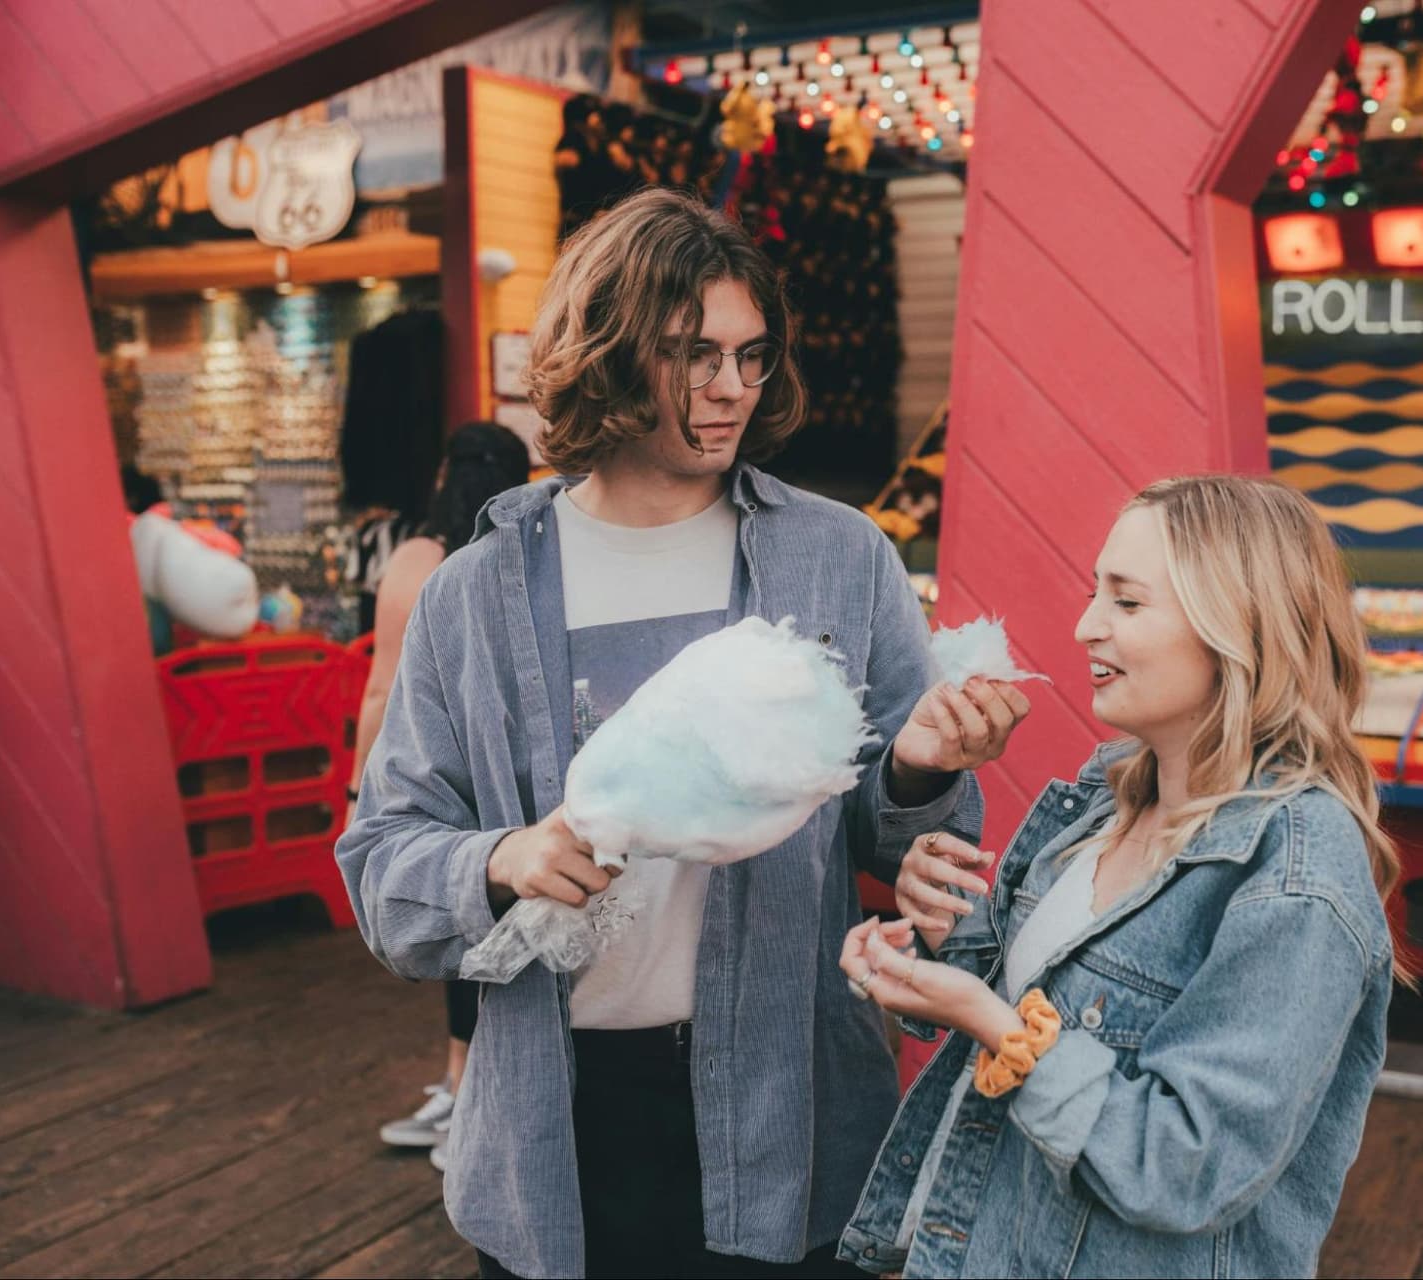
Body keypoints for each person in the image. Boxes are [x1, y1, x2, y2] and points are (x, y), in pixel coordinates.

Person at [336, 186, 1029, 1280]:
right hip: (556, 1116)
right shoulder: (476, 593)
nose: (732, 388)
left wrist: (917, 765)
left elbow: (914, 851)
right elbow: (380, 867)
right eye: (693, 354)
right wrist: (504, 858)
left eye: (753, 355)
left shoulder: (838, 558)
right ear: (607, 354)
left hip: (787, 1107)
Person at [836, 475, 1403, 1279]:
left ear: (1236, 626)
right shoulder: (1101, 798)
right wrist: (935, 931)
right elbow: (1026, 998)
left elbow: (1188, 1166)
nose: (1084, 626)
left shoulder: (1298, 868)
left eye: (1127, 604)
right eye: (1095, 594)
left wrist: (995, 1026)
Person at [355, 423, 532, 1169]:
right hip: (525, 779)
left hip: (441, 776)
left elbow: (382, 686)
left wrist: (363, 792)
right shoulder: (539, 548)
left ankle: (465, 1096)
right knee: (521, 940)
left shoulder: (419, 559)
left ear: (440, 473)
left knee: (462, 929)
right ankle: (477, 1096)